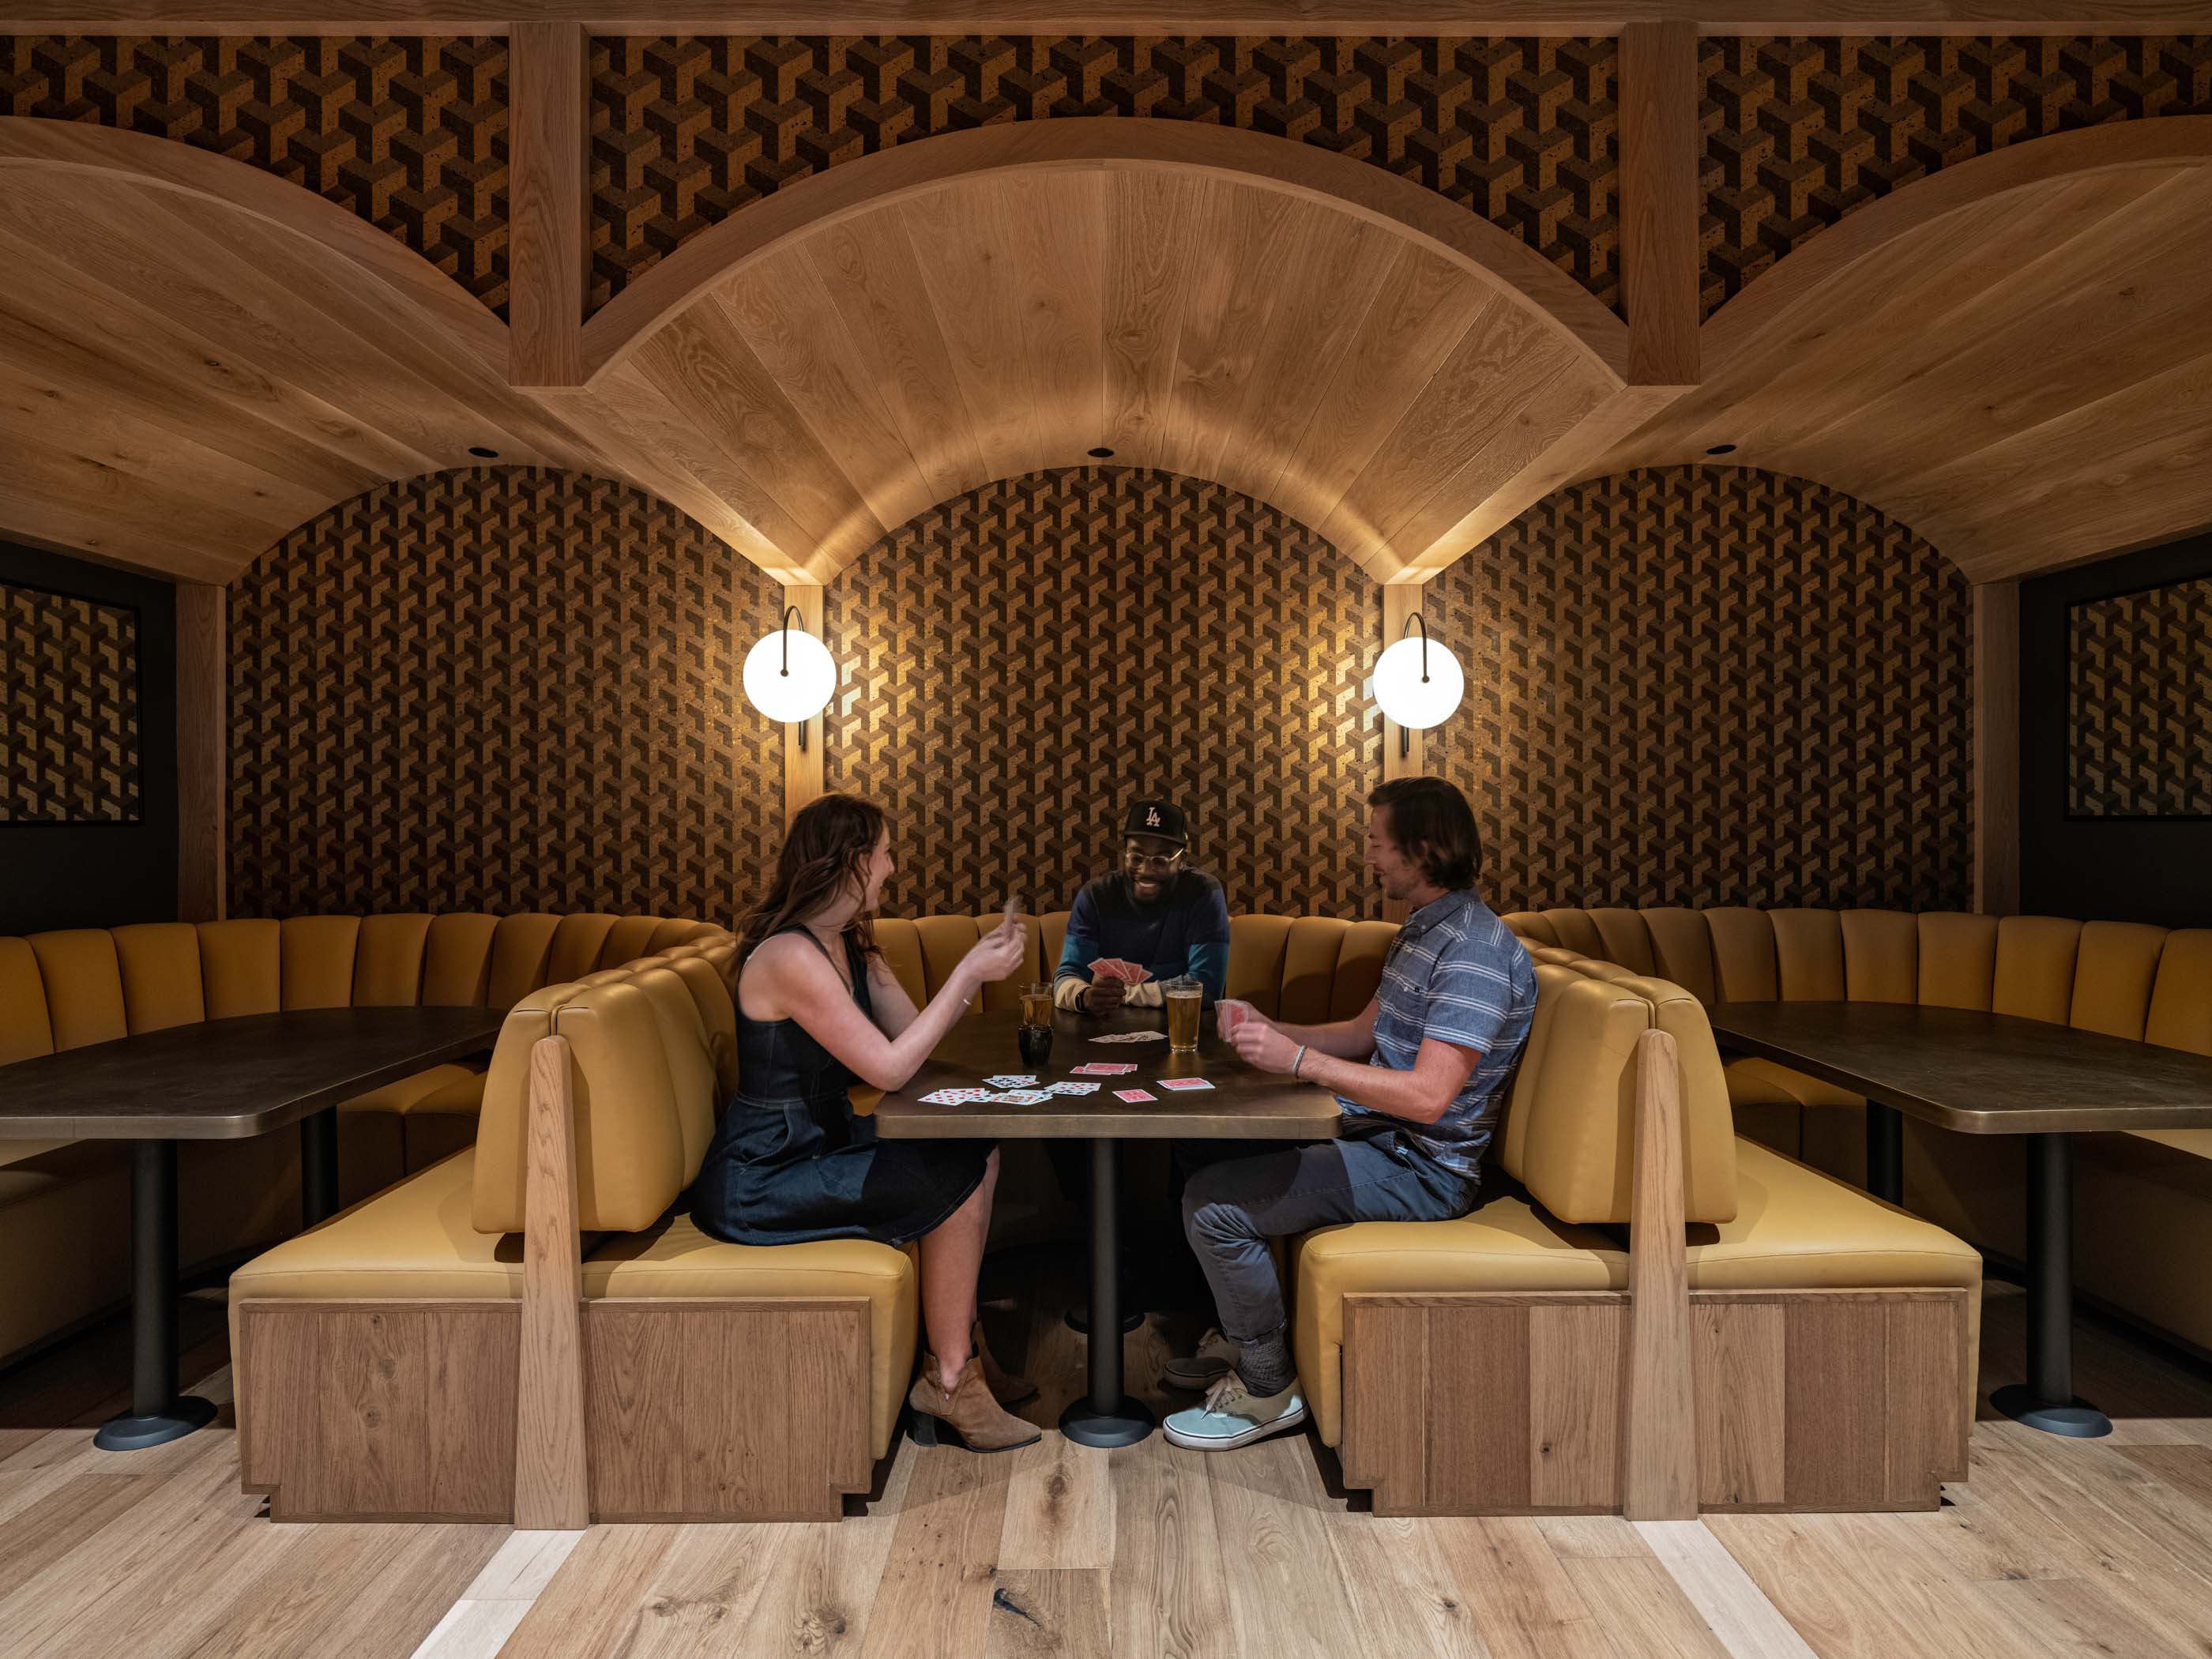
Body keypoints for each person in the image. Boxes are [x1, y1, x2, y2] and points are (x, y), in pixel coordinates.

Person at [1157, 777, 1538, 1453]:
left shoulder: (1474, 952)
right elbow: (1367, 1033)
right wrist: (1273, 1029)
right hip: (1378, 1133)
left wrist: (1297, 1059)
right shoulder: (1425, 931)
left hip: (1422, 1166)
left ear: (1422, 851)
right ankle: (1245, 1337)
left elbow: (1428, 1097)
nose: (1368, 858)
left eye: (1376, 843)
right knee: (1200, 1152)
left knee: (1213, 1206)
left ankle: (1269, 1389)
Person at [690, 792, 1041, 1452]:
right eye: (883, 854)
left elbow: (915, 1038)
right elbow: (889, 1071)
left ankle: (960, 1357)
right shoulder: (789, 956)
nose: (890, 868)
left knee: (977, 1149)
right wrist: (967, 968)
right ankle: (950, 1383)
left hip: (815, 1145)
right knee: (959, 1171)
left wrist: (972, 973)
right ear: (850, 861)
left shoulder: (849, 945)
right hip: (764, 1172)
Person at [1051, 799, 1231, 1012]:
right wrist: (1084, 996)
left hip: (1180, 1032)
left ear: (1182, 859)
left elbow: (1206, 988)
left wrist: (1123, 995)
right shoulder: (1096, 896)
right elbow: (1065, 976)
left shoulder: (1203, 893)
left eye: (1160, 860)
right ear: (1124, 853)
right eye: (1136, 857)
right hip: (1103, 1032)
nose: (1146, 870)